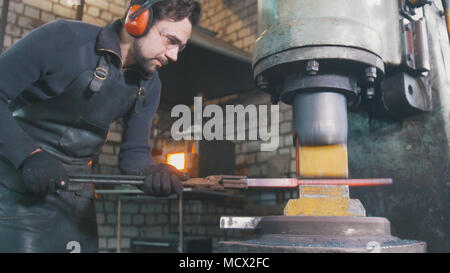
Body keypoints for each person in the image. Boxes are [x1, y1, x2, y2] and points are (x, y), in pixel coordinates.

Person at [0, 0, 202, 253]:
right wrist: (28, 155)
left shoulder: (149, 84)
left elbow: (134, 154)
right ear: (138, 19)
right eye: (170, 40)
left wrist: (150, 172)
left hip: (76, 200)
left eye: (180, 48)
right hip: (18, 191)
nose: (173, 55)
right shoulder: (64, 39)